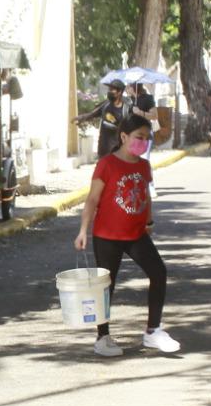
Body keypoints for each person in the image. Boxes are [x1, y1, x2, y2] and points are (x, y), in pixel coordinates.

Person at [74, 114, 180, 357]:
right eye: (138, 137)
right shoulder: (107, 164)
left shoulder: (143, 165)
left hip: (136, 234)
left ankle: (153, 331)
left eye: (146, 138)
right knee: (106, 287)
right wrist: (83, 231)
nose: (142, 142)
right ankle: (103, 337)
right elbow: (92, 199)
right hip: (107, 236)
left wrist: (149, 220)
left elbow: (146, 194)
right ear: (124, 136)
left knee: (159, 272)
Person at [75, 78, 133, 160]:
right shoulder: (106, 104)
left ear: (119, 92)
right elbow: (92, 114)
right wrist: (82, 118)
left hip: (118, 150)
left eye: (112, 89)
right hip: (103, 149)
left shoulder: (127, 109)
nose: (109, 91)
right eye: (109, 89)